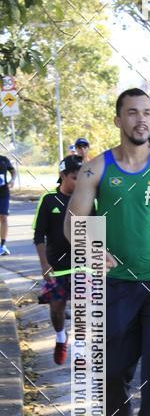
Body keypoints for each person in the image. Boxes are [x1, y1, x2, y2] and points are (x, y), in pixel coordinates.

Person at [65, 88, 150, 416]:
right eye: (132, 113)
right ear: (118, 120)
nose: (141, 119)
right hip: (114, 285)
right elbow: (73, 222)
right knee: (112, 367)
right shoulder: (97, 168)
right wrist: (91, 249)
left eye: (146, 112)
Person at [33, 155, 82, 363]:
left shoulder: (89, 199)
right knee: (56, 307)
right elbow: (38, 236)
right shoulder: (48, 200)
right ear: (63, 176)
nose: (79, 181)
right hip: (57, 266)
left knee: (85, 310)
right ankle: (61, 337)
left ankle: (82, 350)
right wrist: (45, 265)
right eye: (74, 177)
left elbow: (99, 232)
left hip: (83, 265)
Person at [0, 153, 16, 256]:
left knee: (4, 217)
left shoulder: (4, 159)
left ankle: (2, 245)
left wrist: (12, 180)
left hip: (3, 193)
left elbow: (13, 171)